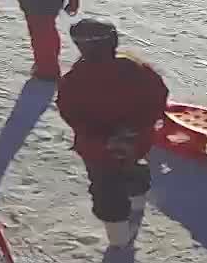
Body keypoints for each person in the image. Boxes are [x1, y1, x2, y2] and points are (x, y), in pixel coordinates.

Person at [56, 19, 169, 248]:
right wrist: (138, 126)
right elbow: (158, 96)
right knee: (130, 165)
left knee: (106, 187)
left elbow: (69, 111)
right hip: (135, 140)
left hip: (97, 147)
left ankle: (118, 238)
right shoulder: (135, 69)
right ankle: (137, 200)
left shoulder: (75, 79)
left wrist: (97, 133)